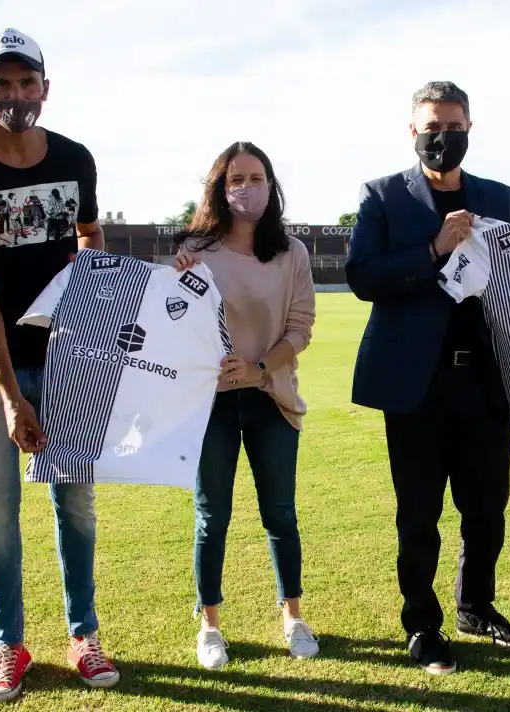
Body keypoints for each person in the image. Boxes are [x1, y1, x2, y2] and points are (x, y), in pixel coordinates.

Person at [0, 28, 119, 703]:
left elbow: (92, 236)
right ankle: (9, 646)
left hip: (69, 362)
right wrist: (11, 393)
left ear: (45, 86)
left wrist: (87, 262)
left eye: (25, 82)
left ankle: (84, 636)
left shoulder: (75, 159)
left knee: (78, 505)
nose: (14, 95)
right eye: (0, 83)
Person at [345, 80, 510, 676]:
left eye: (454, 126)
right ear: (412, 131)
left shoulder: (502, 198)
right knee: (419, 509)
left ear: (469, 129)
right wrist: (434, 248)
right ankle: (422, 625)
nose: (442, 136)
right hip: (415, 383)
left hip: (486, 379)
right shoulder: (381, 196)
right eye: (432, 126)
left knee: (487, 505)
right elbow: (362, 277)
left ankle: (476, 605)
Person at [173, 142, 319, 669]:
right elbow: (175, 323)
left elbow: (300, 327)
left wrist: (260, 370)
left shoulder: (292, 253)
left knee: (280, 513)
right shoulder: (195, 248)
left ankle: (294, 617)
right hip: (209, 406)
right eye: (236, 178)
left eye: (256, 177)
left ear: (270, 184)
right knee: (212, 517)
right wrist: (178, 273)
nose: (246, 187)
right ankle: (210, 626)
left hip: (271, 399)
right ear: (220, 184)